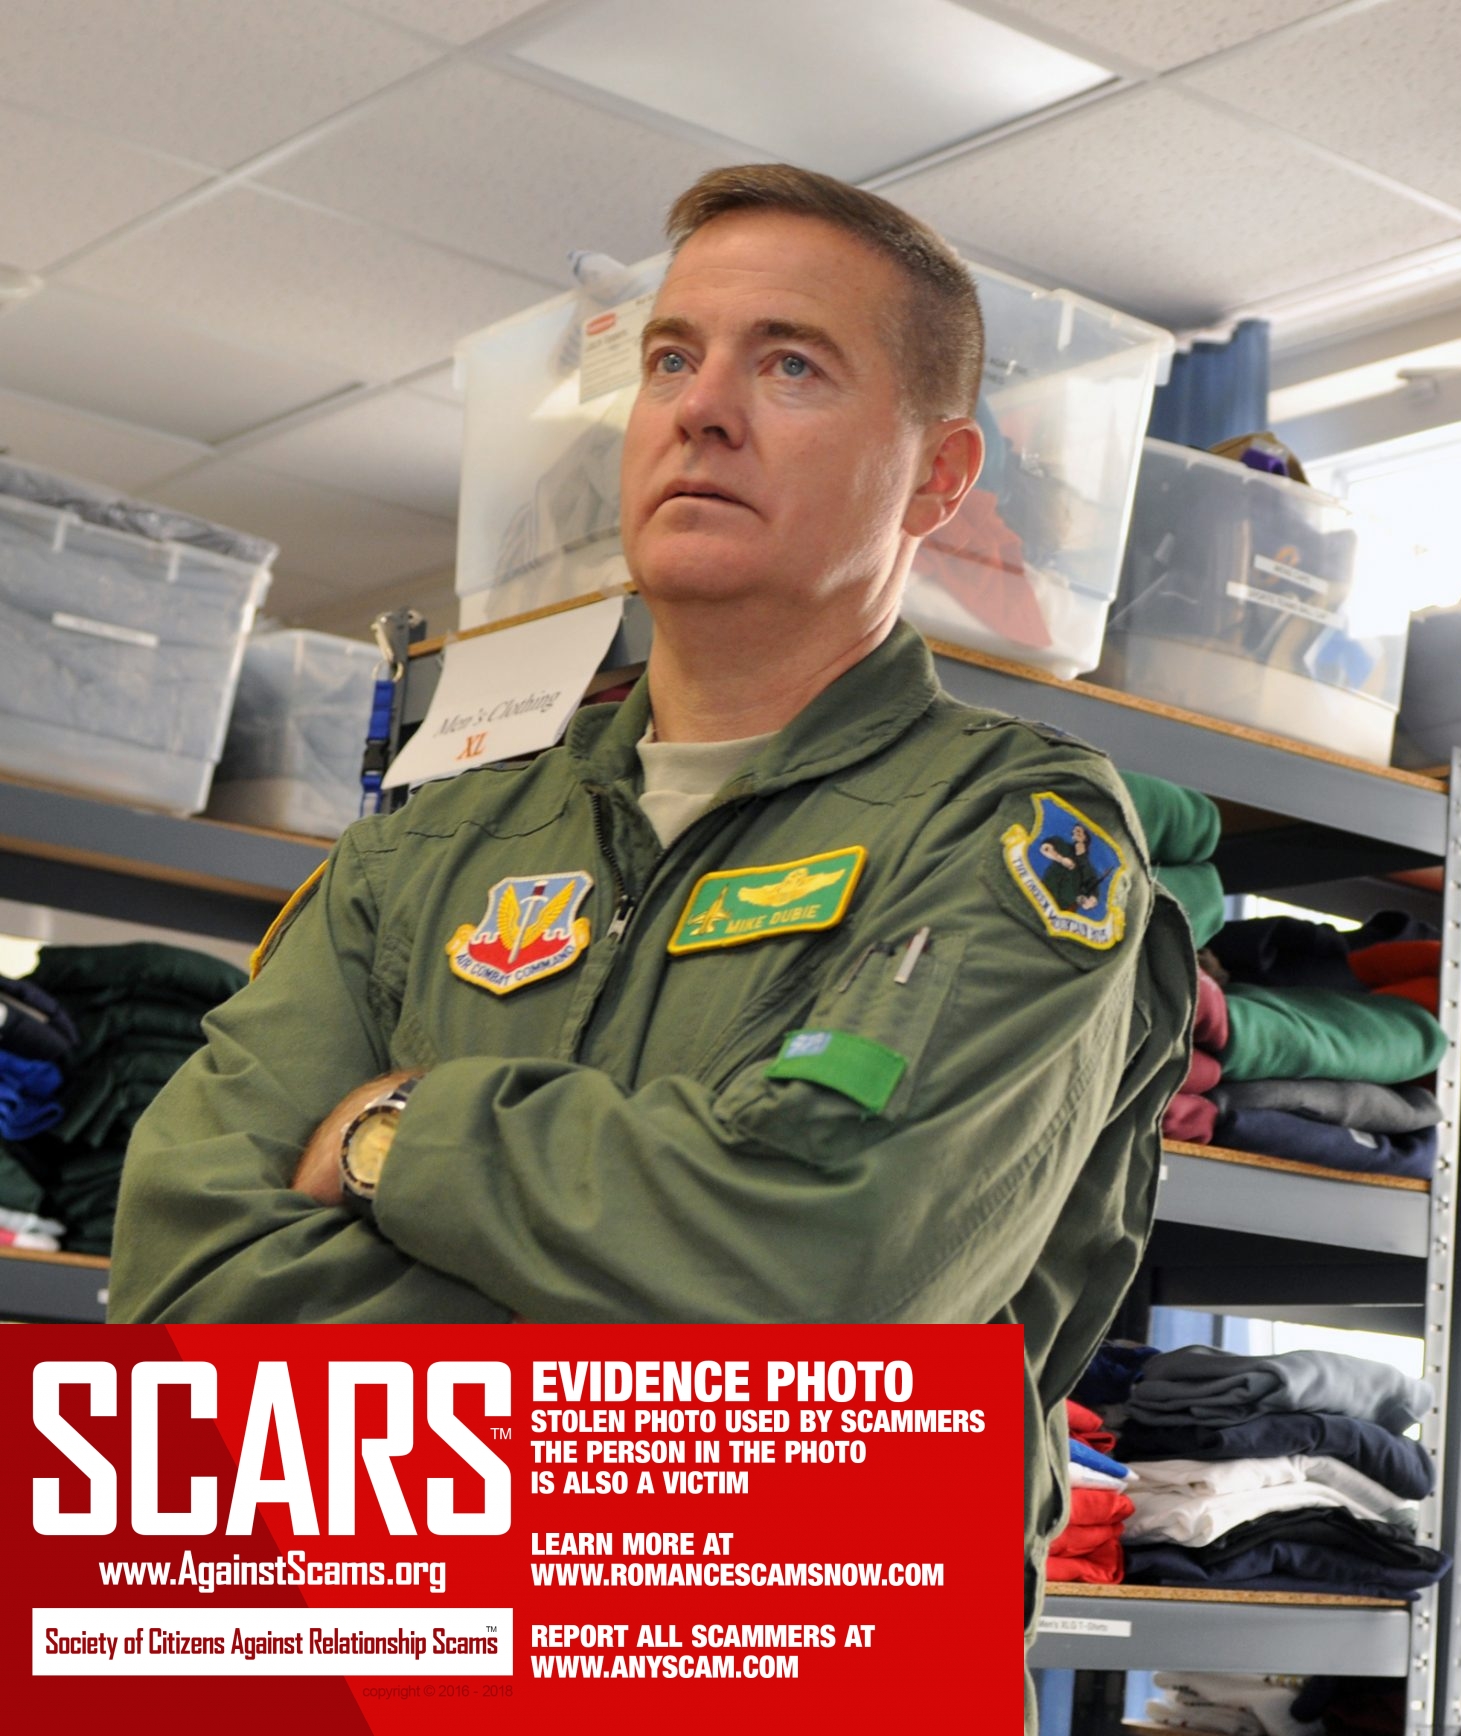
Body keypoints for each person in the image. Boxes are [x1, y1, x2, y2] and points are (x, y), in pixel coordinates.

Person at [109, 164, 1196, 1651]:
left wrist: (398, 1136)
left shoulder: (1009, 830)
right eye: (673, 359)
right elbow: (183, 1288)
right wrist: (665, 1404)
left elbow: (836, 1276)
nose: (704, 409)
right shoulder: (431, 851)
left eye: (792, 365)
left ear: (938, 479)